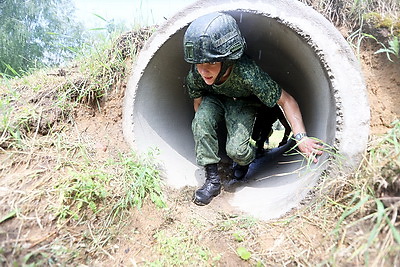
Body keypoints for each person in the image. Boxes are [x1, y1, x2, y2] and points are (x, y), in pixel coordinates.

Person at [183, 12, 323, 206]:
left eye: (211, 63)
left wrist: (301, 137)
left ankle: (245, 161)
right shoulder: (196, 75)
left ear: (227, 60)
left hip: (242, 102)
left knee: (237, 151)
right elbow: (198, 103)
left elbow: (287, 101)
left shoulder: (248, 73)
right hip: (214, 99)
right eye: (198, 64)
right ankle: (212, 180)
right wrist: (206, 130)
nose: (203, 71)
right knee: (201, 121)